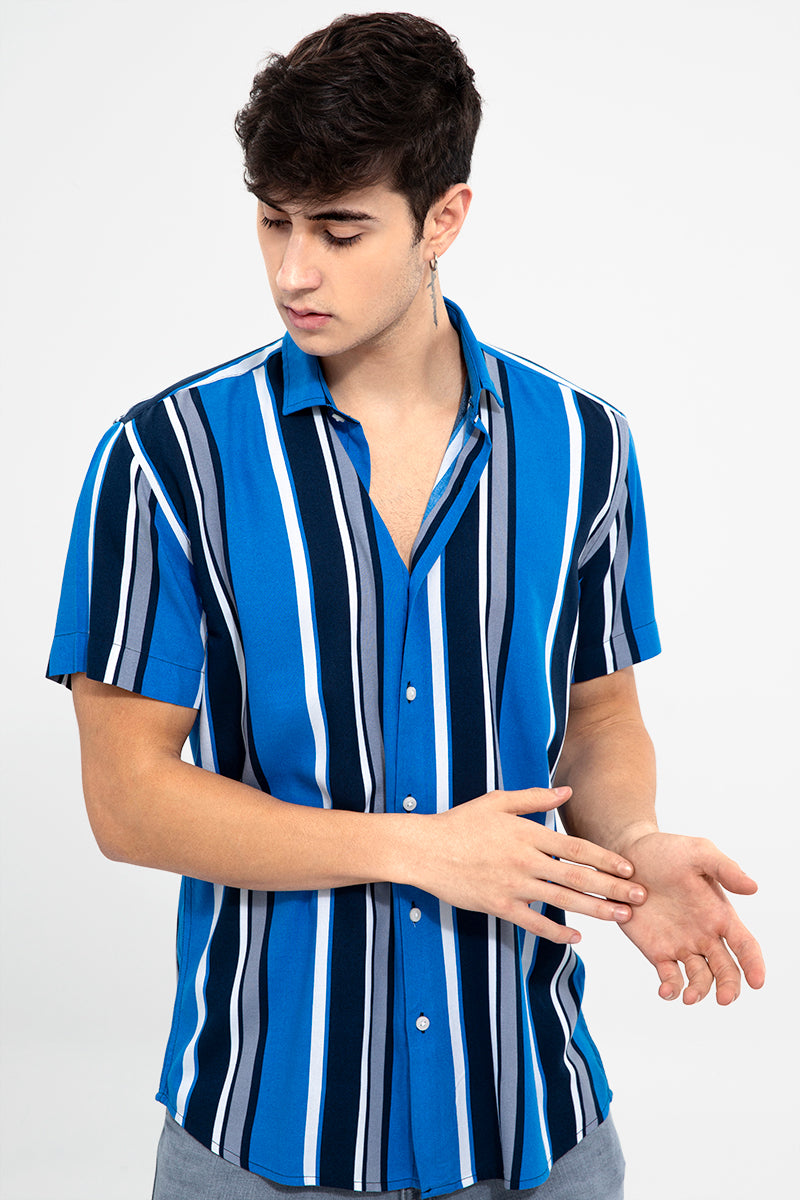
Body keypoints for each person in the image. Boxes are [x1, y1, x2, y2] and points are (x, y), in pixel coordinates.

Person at [46, 12, 765, 1200]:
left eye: (338, 229)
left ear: (444, 218)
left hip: (533, 1131)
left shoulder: (581, 444)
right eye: (272, 220)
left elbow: (596, 716)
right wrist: (420, 850)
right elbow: (127, 800)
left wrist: (631, 845)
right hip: (266, 1141)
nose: (293, 270)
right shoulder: (167, 460)